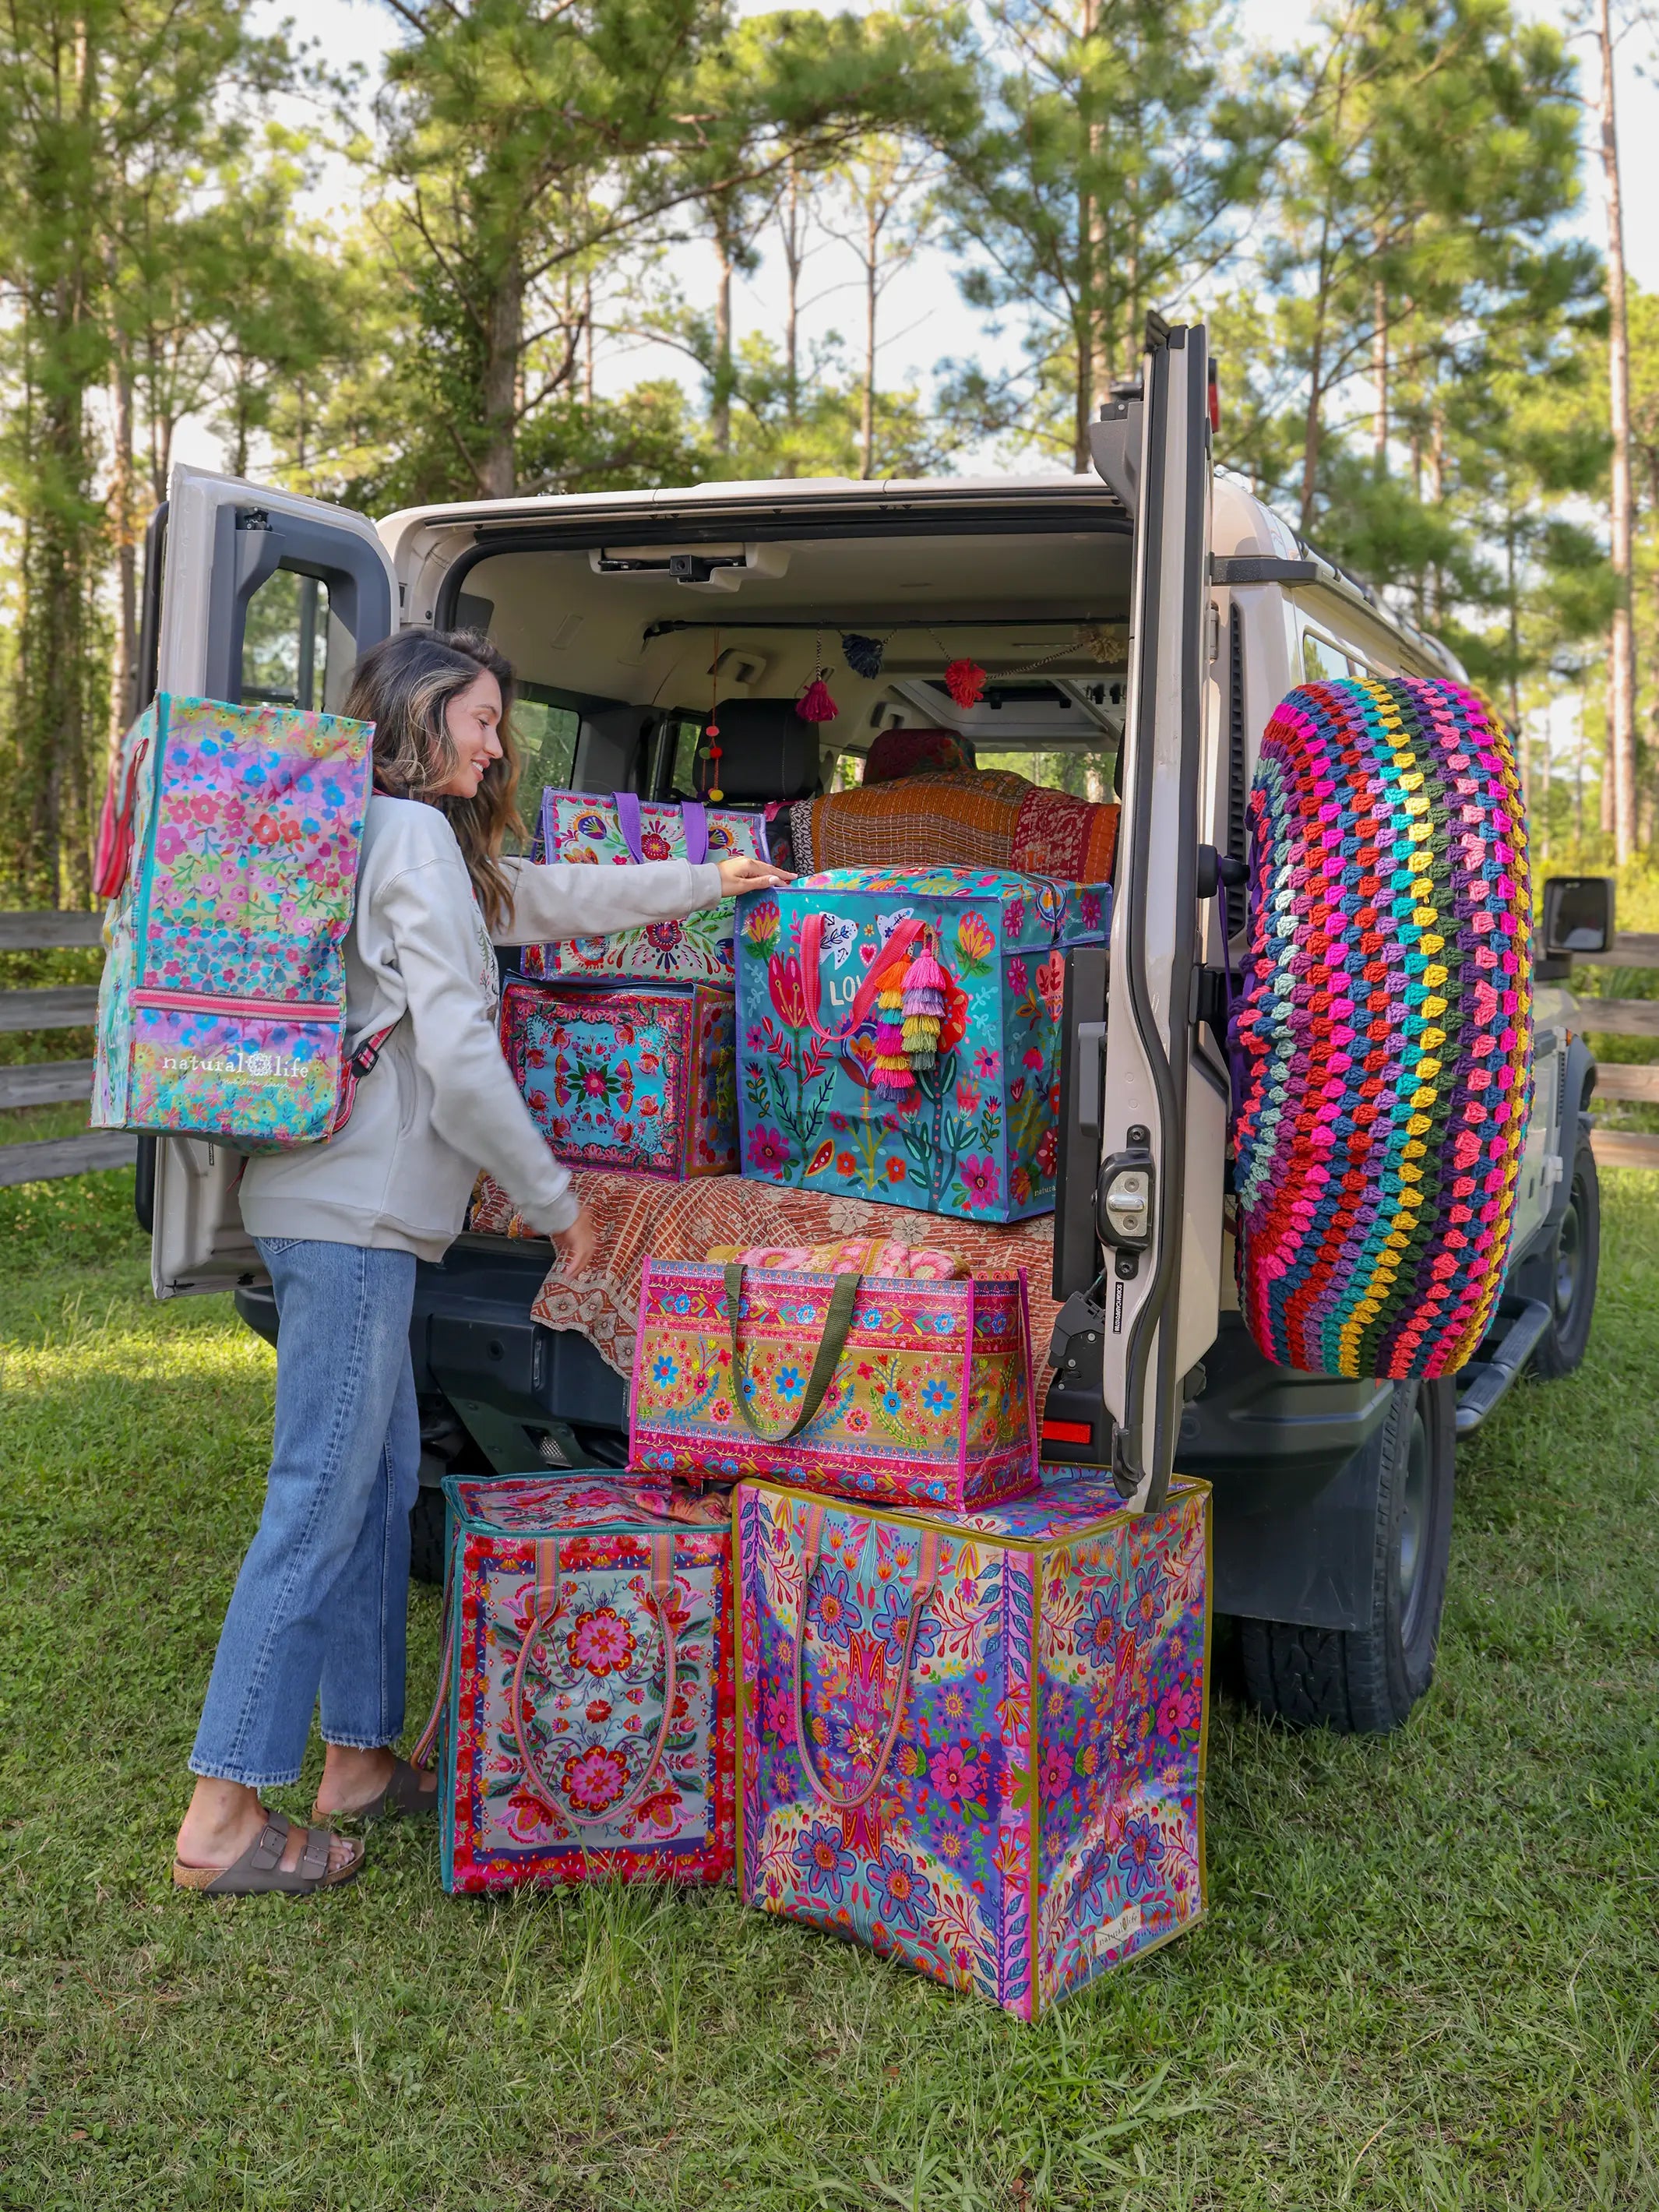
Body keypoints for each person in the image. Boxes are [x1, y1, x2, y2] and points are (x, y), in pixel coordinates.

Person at [172, 628, 791, 1895]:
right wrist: (559, 1205)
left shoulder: (419, 847)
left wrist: (705, 881)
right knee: (318, 1504)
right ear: (416, 720)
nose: (496, 742)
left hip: (349, 1215)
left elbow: (549, 900)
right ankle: (223, 1813)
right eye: (480, 718)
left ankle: (355, 1759)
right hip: (349, 1220)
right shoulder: (407, 841)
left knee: (382, 1471)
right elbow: (457, 1055)